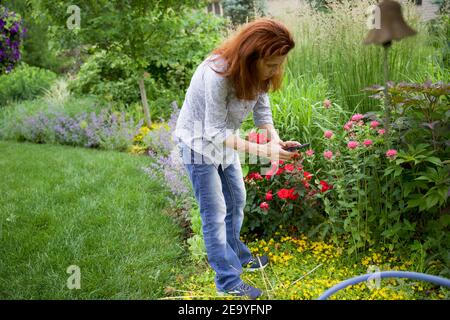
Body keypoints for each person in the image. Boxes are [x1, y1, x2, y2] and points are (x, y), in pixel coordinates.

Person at [173, 18, 301, 299]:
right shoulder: (217, 73)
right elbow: (213, 131)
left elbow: (262, 114)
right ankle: (228, 282)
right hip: (198, 144)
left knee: (237, 199)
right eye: (271, 65)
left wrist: (275, 140)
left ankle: (238, 256)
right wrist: (264, 151)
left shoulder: (260, 76)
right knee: (215, 212)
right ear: (252, 56)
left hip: (224, 141)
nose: (276, 70)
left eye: (280, 64)